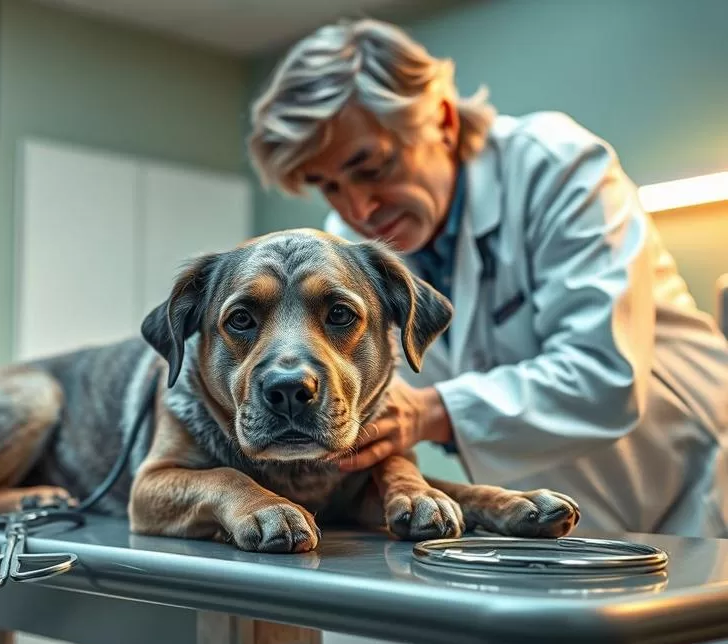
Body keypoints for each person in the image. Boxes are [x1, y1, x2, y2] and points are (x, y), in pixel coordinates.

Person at [246, 18, 728, 538]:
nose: (357, 207)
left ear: (444, 122)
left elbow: (603, 374)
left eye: (373, 168)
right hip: (560, 502)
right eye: (329, 186)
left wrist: (430, 411)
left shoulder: (558, 167)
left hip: (698, 482)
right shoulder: (350, 244)